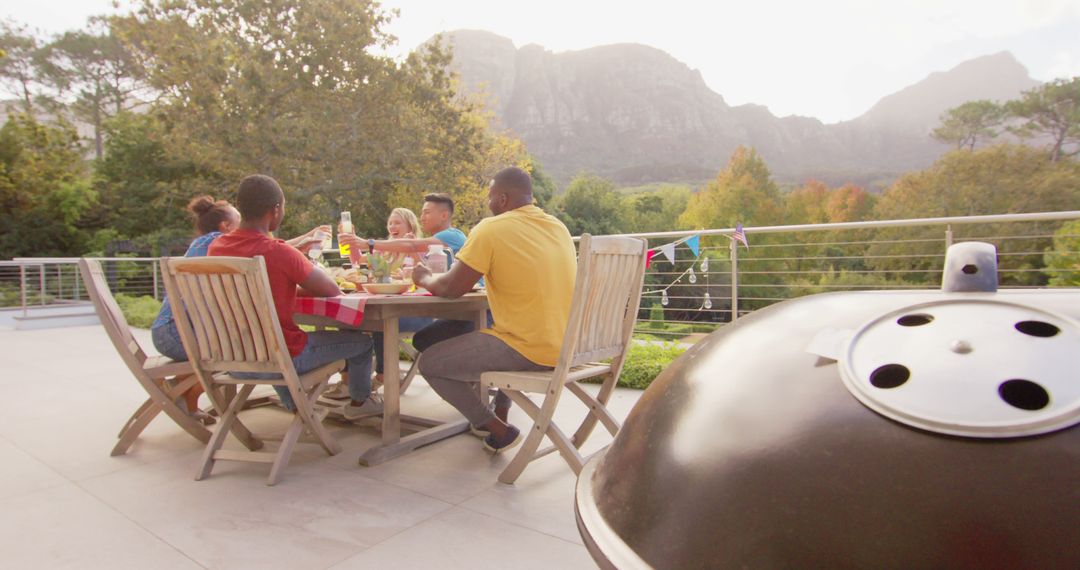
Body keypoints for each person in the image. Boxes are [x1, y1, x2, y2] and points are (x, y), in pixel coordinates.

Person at [411, 167, 577, 453]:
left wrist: (423, 276)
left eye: (489, 197)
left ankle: (497, 429)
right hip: (568, 346)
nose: (488, 204)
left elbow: (451, 288)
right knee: (477, 332)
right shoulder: (557, 227)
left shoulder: (491, 228)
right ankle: (501, 411)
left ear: (502, 199)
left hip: (528, 348)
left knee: (430, 362)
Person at [208, 174, 382, 420]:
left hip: (231, 356)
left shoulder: (217, 248)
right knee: (363, 344)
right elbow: (332, 289)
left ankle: (297, 407)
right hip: (281, 358)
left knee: (274, 340)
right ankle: (360, 404)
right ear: (276, 210)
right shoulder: (278, 251)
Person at [338, 194, 473, 389]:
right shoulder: (426, 247)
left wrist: (368, 243)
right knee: (349, 318)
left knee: (381, 321)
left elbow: (413, 249)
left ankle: (381, 378)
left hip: (447, 312)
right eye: (421, 212)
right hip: (428, 306)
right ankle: (350, 384)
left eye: (427, 212)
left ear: (444, 215)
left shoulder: (452, 235)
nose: (423, 216)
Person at [151, 195, 240, 425]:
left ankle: (185, 401)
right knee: (235, 351)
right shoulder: (215, 241)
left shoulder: (202, 245)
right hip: (176, 334)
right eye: (240, 221)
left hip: (171, 330)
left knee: (228, 343)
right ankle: (178, 389)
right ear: (226, 226)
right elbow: (258, 246)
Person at [322, 206, 426, 400]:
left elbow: (425, 272)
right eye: (390, 223)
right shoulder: (384, 253)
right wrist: (351, 240)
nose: (392, 226)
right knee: (348, 320)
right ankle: (347, 380)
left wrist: (412, 249)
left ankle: (383, 374)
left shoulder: (417, 248)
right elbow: (359, 262)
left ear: (410, 226)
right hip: (384, 303)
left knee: (381, 321)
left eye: (397, 223)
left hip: (414, 311)